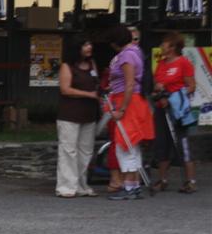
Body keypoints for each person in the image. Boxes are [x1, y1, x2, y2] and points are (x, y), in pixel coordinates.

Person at [104, 25, 154, 200]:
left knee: (124, 145)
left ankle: (129, 186)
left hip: (128, 103)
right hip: (135, 101)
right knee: (132, 145)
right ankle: (133, 185)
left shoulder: (126, 56)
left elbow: (129, 84)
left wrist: (122, 109)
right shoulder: (136, 51)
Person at [152, 32, 198, 193]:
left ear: (172, 47)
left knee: (183, 143)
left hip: (177, 109)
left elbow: (191, 86)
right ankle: (163, 179)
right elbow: (157, 82)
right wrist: (157, 90)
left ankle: (190, 180)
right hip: (161, 108)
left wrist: (174, 96)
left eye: (164, 44)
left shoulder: (183, 63)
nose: (161, 46)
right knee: (162, 143)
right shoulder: (161, 63)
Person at [55, 38, 100, 197]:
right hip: (70, 114)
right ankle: (66, 186)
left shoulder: (92, 64)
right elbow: (65, 89)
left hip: (89, 114)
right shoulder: (67, 66)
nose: (89, 47)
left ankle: (81, 184)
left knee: (85, 151)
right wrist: (89, 94)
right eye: (85, 44)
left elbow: (96, 83)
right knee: (69, 150)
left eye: (90, 44)